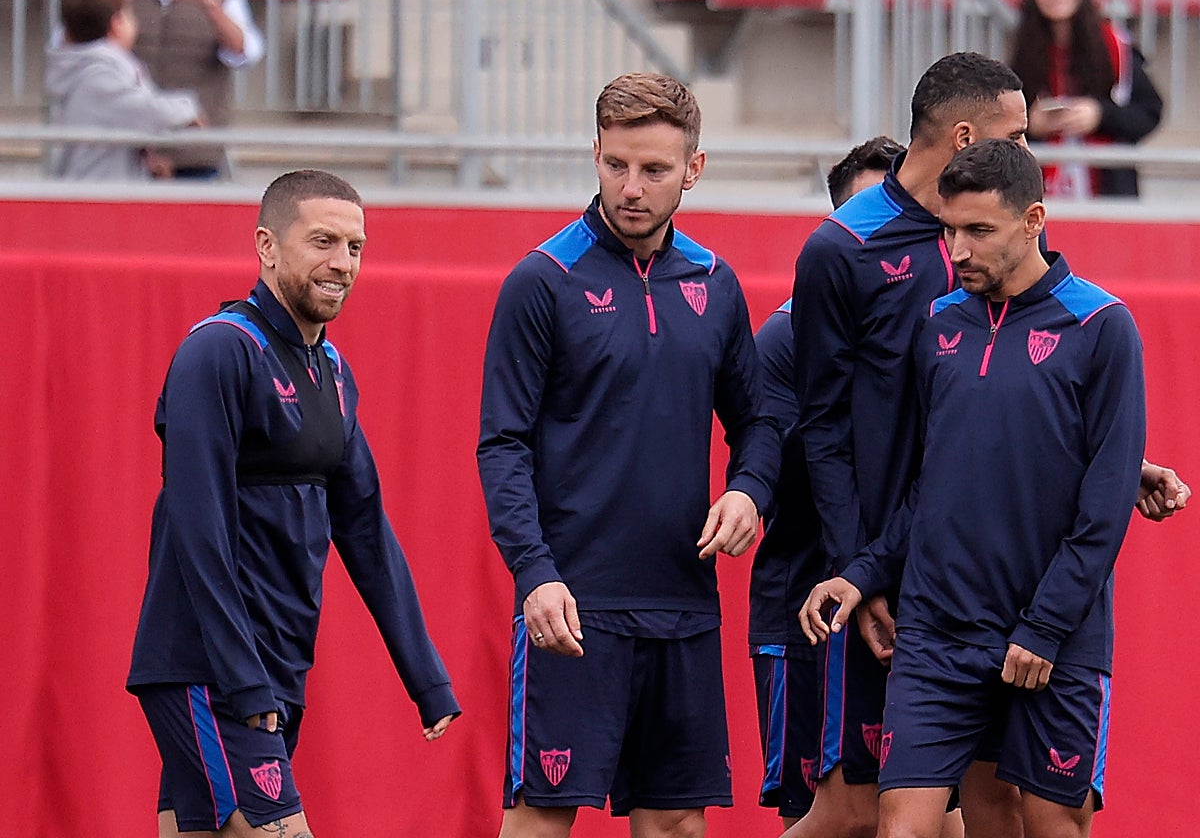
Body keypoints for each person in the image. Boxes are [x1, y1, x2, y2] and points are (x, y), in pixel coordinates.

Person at [782, 51, 1188, 838]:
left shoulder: (1101, 326)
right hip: (930, 621)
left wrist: (1045, 623)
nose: (958, 251)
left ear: (1032, 221)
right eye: (952, 231)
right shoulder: (927, 314)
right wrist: (857, 570)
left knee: (1029, 820)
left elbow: (1091, 496)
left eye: (977, 233)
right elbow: (906, 467)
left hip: (1049, 630)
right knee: (882, 819)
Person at [476, 72, 778, 838]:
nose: (631, 188)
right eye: (616, 165)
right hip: (572, 604)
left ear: (694, 170)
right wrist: (534, 573)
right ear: (595, 156)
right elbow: (501, 444)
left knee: (676, 823)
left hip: (684, 602)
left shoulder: (716, 283)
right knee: (542, 820)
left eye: (654, 170)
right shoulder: (543, 281)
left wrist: (748, 492)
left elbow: (761, 424)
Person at [127, 169, 460, 838]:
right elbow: (200, 531)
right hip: (210, 669)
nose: (342, 263)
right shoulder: (218, 352)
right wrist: (242, 679)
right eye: (323, 241)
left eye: (356, 246)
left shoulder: (332, 371)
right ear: (267, 246)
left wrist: (425, 676)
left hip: (276, 666)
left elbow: (365, 528)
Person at [749, 134, 904, 830]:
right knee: (829, 816)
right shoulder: (784, 341)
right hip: (807, 613)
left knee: (933, 810)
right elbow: (781, 463)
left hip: (911, 609)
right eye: (859, 218)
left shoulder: (940, 329)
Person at [1010, 0, 1163, 198]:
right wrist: (1030, 125)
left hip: (1107, 188)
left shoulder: (1116, 47)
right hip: (1041, 192)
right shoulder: (1024, 50)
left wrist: (1100, 115)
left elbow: (1149, 113)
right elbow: (1001, 126)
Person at [45, 0, 202, 180]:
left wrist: (145, 160)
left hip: (105, 184)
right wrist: (189, 109)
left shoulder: (97, 69)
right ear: (117, 25)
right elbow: (149, 112)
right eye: (130, 15)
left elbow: (120, 122)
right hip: (95, 191)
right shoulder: (100, 75)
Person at [131, 0, 265, 178]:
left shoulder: (225, 1)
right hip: (131, 150)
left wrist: (212, 8)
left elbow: (246, 51)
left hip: (196, 153)